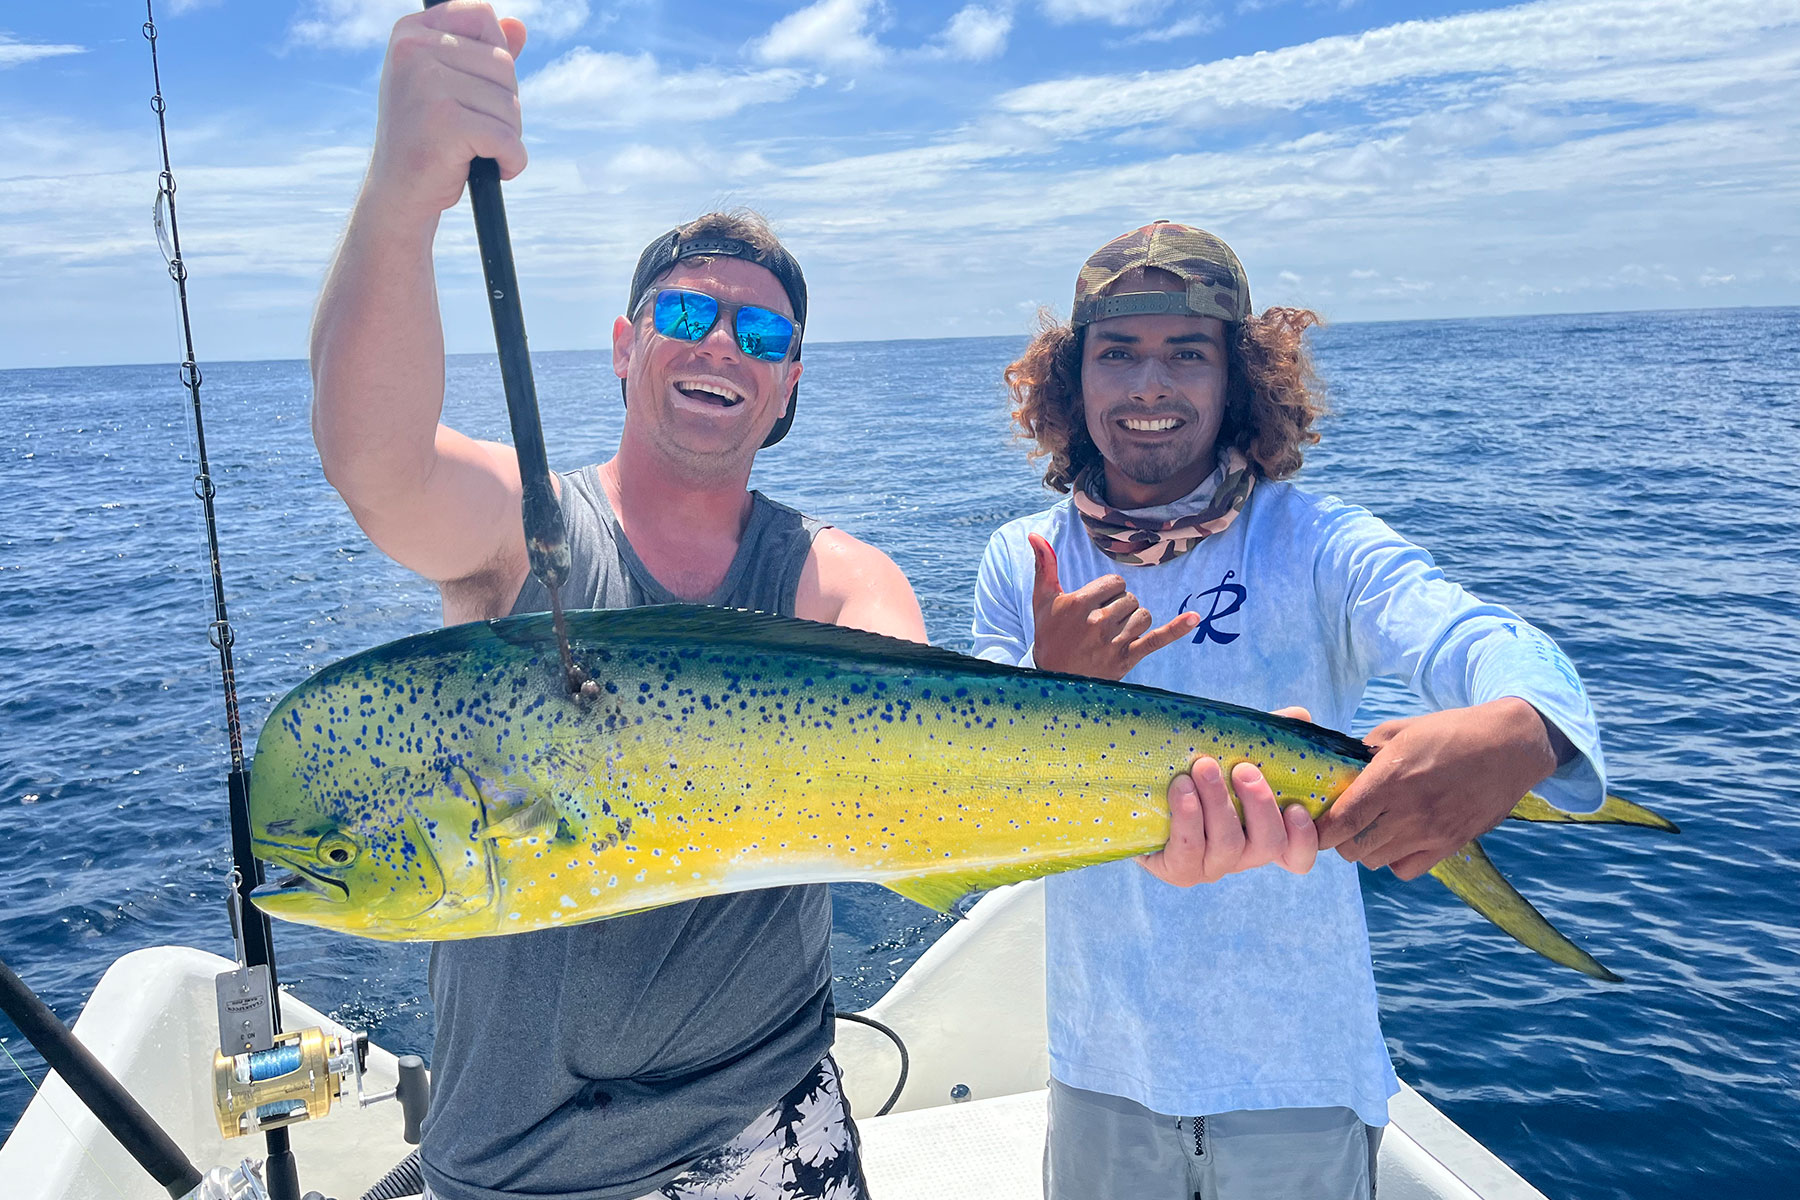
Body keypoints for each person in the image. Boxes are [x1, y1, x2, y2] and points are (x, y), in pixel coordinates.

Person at [307, 6, 928, 1198]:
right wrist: (404, 187)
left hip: (771, 1132)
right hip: (514, 1158)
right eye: (687, 315)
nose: (723, 345)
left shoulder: (836, 578)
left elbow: (910, 782)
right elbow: (375, 462)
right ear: (625, 347)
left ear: (790, 381)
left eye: (763, 332)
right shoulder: (520, 531)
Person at [971, 221, 1605, 1199]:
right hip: (1103, 1067)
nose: (1150, 385)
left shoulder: (1318, 541)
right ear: (1073, 380)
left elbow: (1474, 639)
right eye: (1119, 354)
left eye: (1187, 353)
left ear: (1236, 379)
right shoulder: (1025, 560)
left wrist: (1528, 726)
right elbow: (989, 810)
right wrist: (1050, 697)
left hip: (1297, 1073)